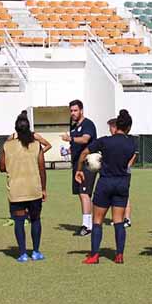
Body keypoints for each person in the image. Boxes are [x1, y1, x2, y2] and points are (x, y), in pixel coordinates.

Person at [77, 110, 136, 264]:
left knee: (97, 220)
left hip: (105, 183)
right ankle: (119, 255)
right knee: (118, 220)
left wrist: (79, 170)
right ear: (129, 127)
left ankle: (95, 255)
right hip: (122, 183)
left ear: (116, 126)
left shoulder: (105, 141)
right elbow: (130, 159)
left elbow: (84, 153)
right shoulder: (131, 143)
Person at [0, 113, 47, 263]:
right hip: (34, 189)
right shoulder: (36, 145)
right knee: (36, 220)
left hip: (16, 190)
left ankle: (22, 253)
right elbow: (42, 168)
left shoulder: (7, 145)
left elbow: (1, 167)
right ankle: (36, 251)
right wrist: (44, 188)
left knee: (19, 221)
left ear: (16, 130)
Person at [62, 100, 97, 236]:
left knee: (84, 193)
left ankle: (87, 226)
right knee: (82, 194)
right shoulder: (74, 126)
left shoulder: (88, 124)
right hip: (77, 165)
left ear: (81, 110)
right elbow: (76, 144)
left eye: (75, 110)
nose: (73, 113)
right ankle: (88, 223)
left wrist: (70, 138)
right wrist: (68, 151)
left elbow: (85, 139)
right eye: (71, 111)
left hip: (87, 164)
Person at [107, 117, 135, 228]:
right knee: (114, 194)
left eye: (110, 127)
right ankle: (117, 218)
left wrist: (127, 165)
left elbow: (134, 154)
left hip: (124, 172)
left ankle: (127, 218)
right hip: (113, 171)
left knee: (124, 194)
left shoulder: (128, 139)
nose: (109, 130)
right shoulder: (111, 140)